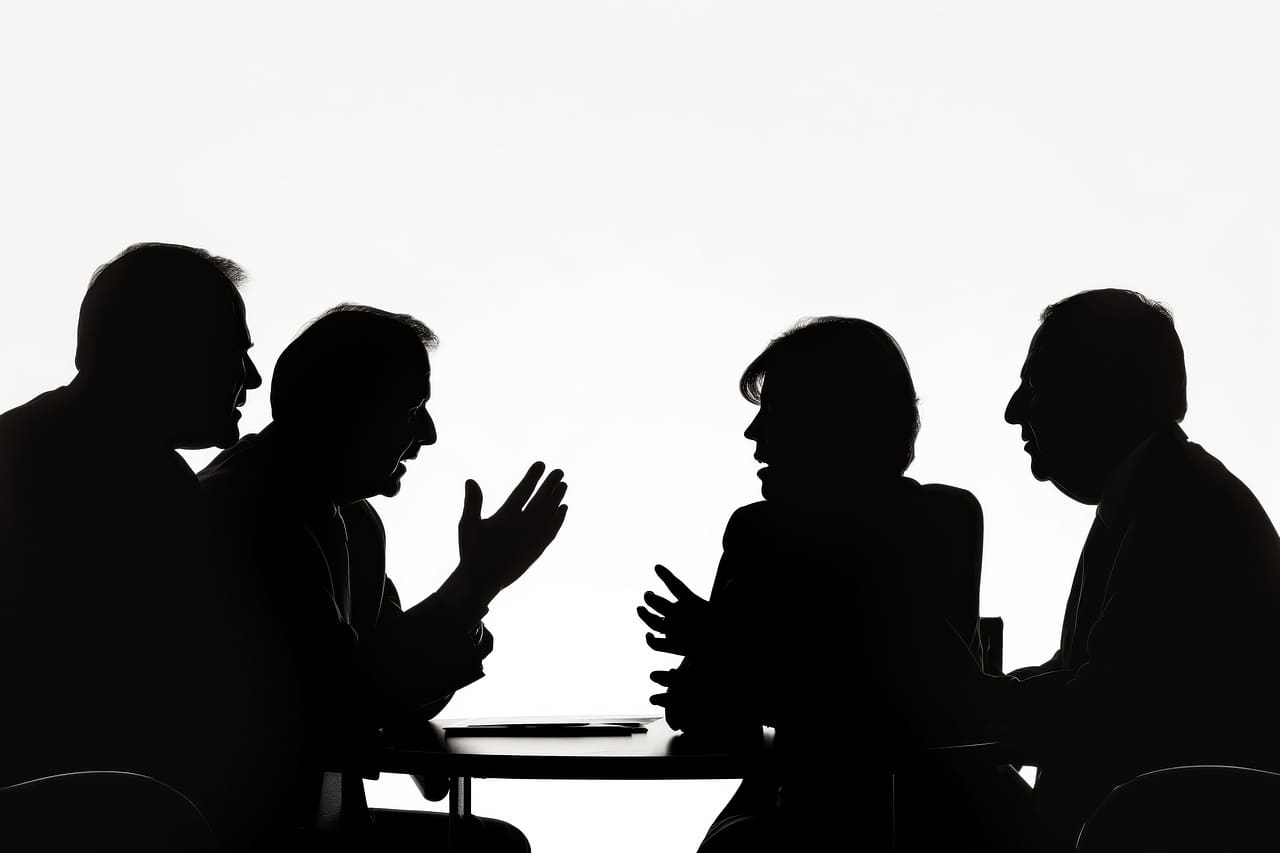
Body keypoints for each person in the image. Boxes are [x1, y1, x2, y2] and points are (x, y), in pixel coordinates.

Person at [199, 303, 567, 850]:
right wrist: (475, 586)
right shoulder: (247, 511)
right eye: (413, 407)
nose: (429, 433)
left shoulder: (353, 518)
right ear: (346, 411)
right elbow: (346, 700)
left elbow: (398, 690)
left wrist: (472, 593)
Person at [639, 316, 986, 851]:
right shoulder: (755, 531)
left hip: (907, 817)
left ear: (833, 422)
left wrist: (728, 647)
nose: (754, 435)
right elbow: (698, 711)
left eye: (774, 414)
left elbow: (909, 709)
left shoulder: (940, 521)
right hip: (793, 802)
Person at [989, 288, 1280, 849]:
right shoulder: (1163, 492)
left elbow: (1106, 712)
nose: (1013, 410)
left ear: (1101, 390)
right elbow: (1096, 672)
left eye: (1035, 385)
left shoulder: (1180, 508)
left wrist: (968, 704)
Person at [0, 243, 261, 820]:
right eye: (234, 352)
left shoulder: (26, 442)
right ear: (168, 352)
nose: (253, 377)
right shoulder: (145, 482)